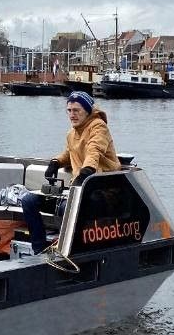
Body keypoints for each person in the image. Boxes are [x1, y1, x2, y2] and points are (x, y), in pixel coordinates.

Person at [21, 89, 121, 253]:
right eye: (69, 110)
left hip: (101, 190)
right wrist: (55, 162)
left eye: (76, 110)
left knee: (65, 208)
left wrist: (86, 171)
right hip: (79, 189)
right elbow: (69, 153)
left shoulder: (99, 127)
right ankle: (39, 250)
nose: (72, 115)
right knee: (28, 201)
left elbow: (94, 151)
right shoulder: (72, 133)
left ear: (87, 111)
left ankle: (70, 252)